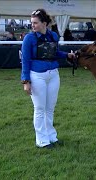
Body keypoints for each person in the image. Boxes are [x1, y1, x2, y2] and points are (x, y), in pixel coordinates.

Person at [21, 8, 75, 149]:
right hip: (37, 76)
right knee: (39, 108)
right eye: (32, 23)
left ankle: (51, 136)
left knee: (50, 108)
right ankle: (42, 140)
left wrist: (66, 55)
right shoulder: (29, 39)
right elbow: (25, 61)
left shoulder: (53, 36)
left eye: (36, 23)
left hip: (53, 75)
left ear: (44, 23)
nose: (32, 25)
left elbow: (54, 53)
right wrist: (26, 81)